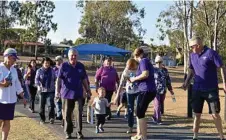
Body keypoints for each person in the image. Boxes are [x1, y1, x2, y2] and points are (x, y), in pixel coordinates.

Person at [182, 36, 226, 140]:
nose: (191, 49)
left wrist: (225, 83)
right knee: (197, 114)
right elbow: (191, 70)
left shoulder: (211, 53)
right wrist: (186, 82)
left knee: (215, 114)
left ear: (198, 45)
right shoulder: (192, 55)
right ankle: (195, 137)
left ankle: (221, 137)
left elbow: (221, 67)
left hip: (211, 90)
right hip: (197, 89)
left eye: (192, 47)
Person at [55, 48, 91, 139]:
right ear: (68, 56)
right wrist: (57, 91)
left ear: (77, 56)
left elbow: (84, 79)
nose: (73, 57)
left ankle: (79, 132)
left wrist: (88, 90)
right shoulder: (63, 66)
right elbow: (58, 80)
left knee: (78, 113)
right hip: (66, 94)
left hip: (78, 94)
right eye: (72, 55)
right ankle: (68, 132)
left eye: (75, 55)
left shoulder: (80, 66)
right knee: (67, 114)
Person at [130, 48, 156, 140]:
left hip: (147, 90)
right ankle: (139, 134)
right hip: (144, 90)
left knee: (140, 112)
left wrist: (134, 79)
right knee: (138, 111)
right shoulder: (144, 62)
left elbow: (145, 74)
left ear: (139, 55)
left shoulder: (143, 61)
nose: (135, 59)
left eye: (136, 56)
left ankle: (143, 136)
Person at [0, 48, 24, 140]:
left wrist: (22, 95)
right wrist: (3, 84)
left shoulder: (14, 70)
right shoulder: (0, 68)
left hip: (11, 100)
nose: (14, 61)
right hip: (1, 99)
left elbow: (17, 83)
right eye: (14, 59)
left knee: (7, 121)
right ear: (8, 57)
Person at [113, 58, 139, 134]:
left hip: (138, 91)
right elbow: (121, 84)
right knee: (130, 109)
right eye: (128, 68)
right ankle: (130, 126)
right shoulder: (126, 71)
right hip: (130, 91)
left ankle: (139, 127)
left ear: (135, 66)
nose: (130, 69)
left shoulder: (139, 68)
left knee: (138, 109)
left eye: (131, 68)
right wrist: (117, 96)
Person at [152, 55, 175, 125]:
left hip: (163, 90)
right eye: (157, 62)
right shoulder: (153, 70)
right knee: (157, 104)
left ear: (162, 62)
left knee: (160, 104)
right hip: (155, 90)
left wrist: (170, 90)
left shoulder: (165, 70)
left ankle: (154, 116)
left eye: (160, 62)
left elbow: (168, 80)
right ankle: (158, 119)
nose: (158, 64)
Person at [35, 57, 56, 125]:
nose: (47, 64)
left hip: (51, 90)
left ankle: (51, 118)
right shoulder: (39, 71)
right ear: (43, 63)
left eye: (48, 63)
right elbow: (36, 80)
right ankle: (42, 119)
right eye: (46, 63)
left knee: (51, 105)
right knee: (41, 106)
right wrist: (38, 86)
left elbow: (55, 79)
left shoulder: (52, 70)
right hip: (42, 90)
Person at [53, 56, 63, 121]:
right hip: (56, 87)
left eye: (58, 60)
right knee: (57, 101)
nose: (57, 61)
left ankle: (60, 114)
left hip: (63, 87)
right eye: (56, 60)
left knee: (62, 101)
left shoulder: (64, 68)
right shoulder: (53, 69)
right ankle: (59, 114)